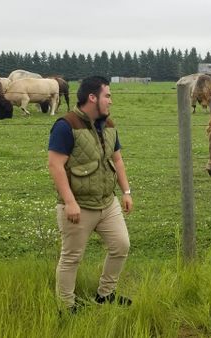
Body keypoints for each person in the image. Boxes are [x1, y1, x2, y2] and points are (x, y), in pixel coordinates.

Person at [48, 76, 133, 312]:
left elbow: (117, 159)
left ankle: (105, 294)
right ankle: (66, 308)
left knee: (121, 246)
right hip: (78, 207)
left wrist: (126, 191)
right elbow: (55, 166)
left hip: (108, 202)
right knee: (71, 258)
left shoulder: (109, 125)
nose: (111, 101)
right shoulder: (66, 126)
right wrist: (69, 202)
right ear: (92, 98)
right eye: (107, 95)